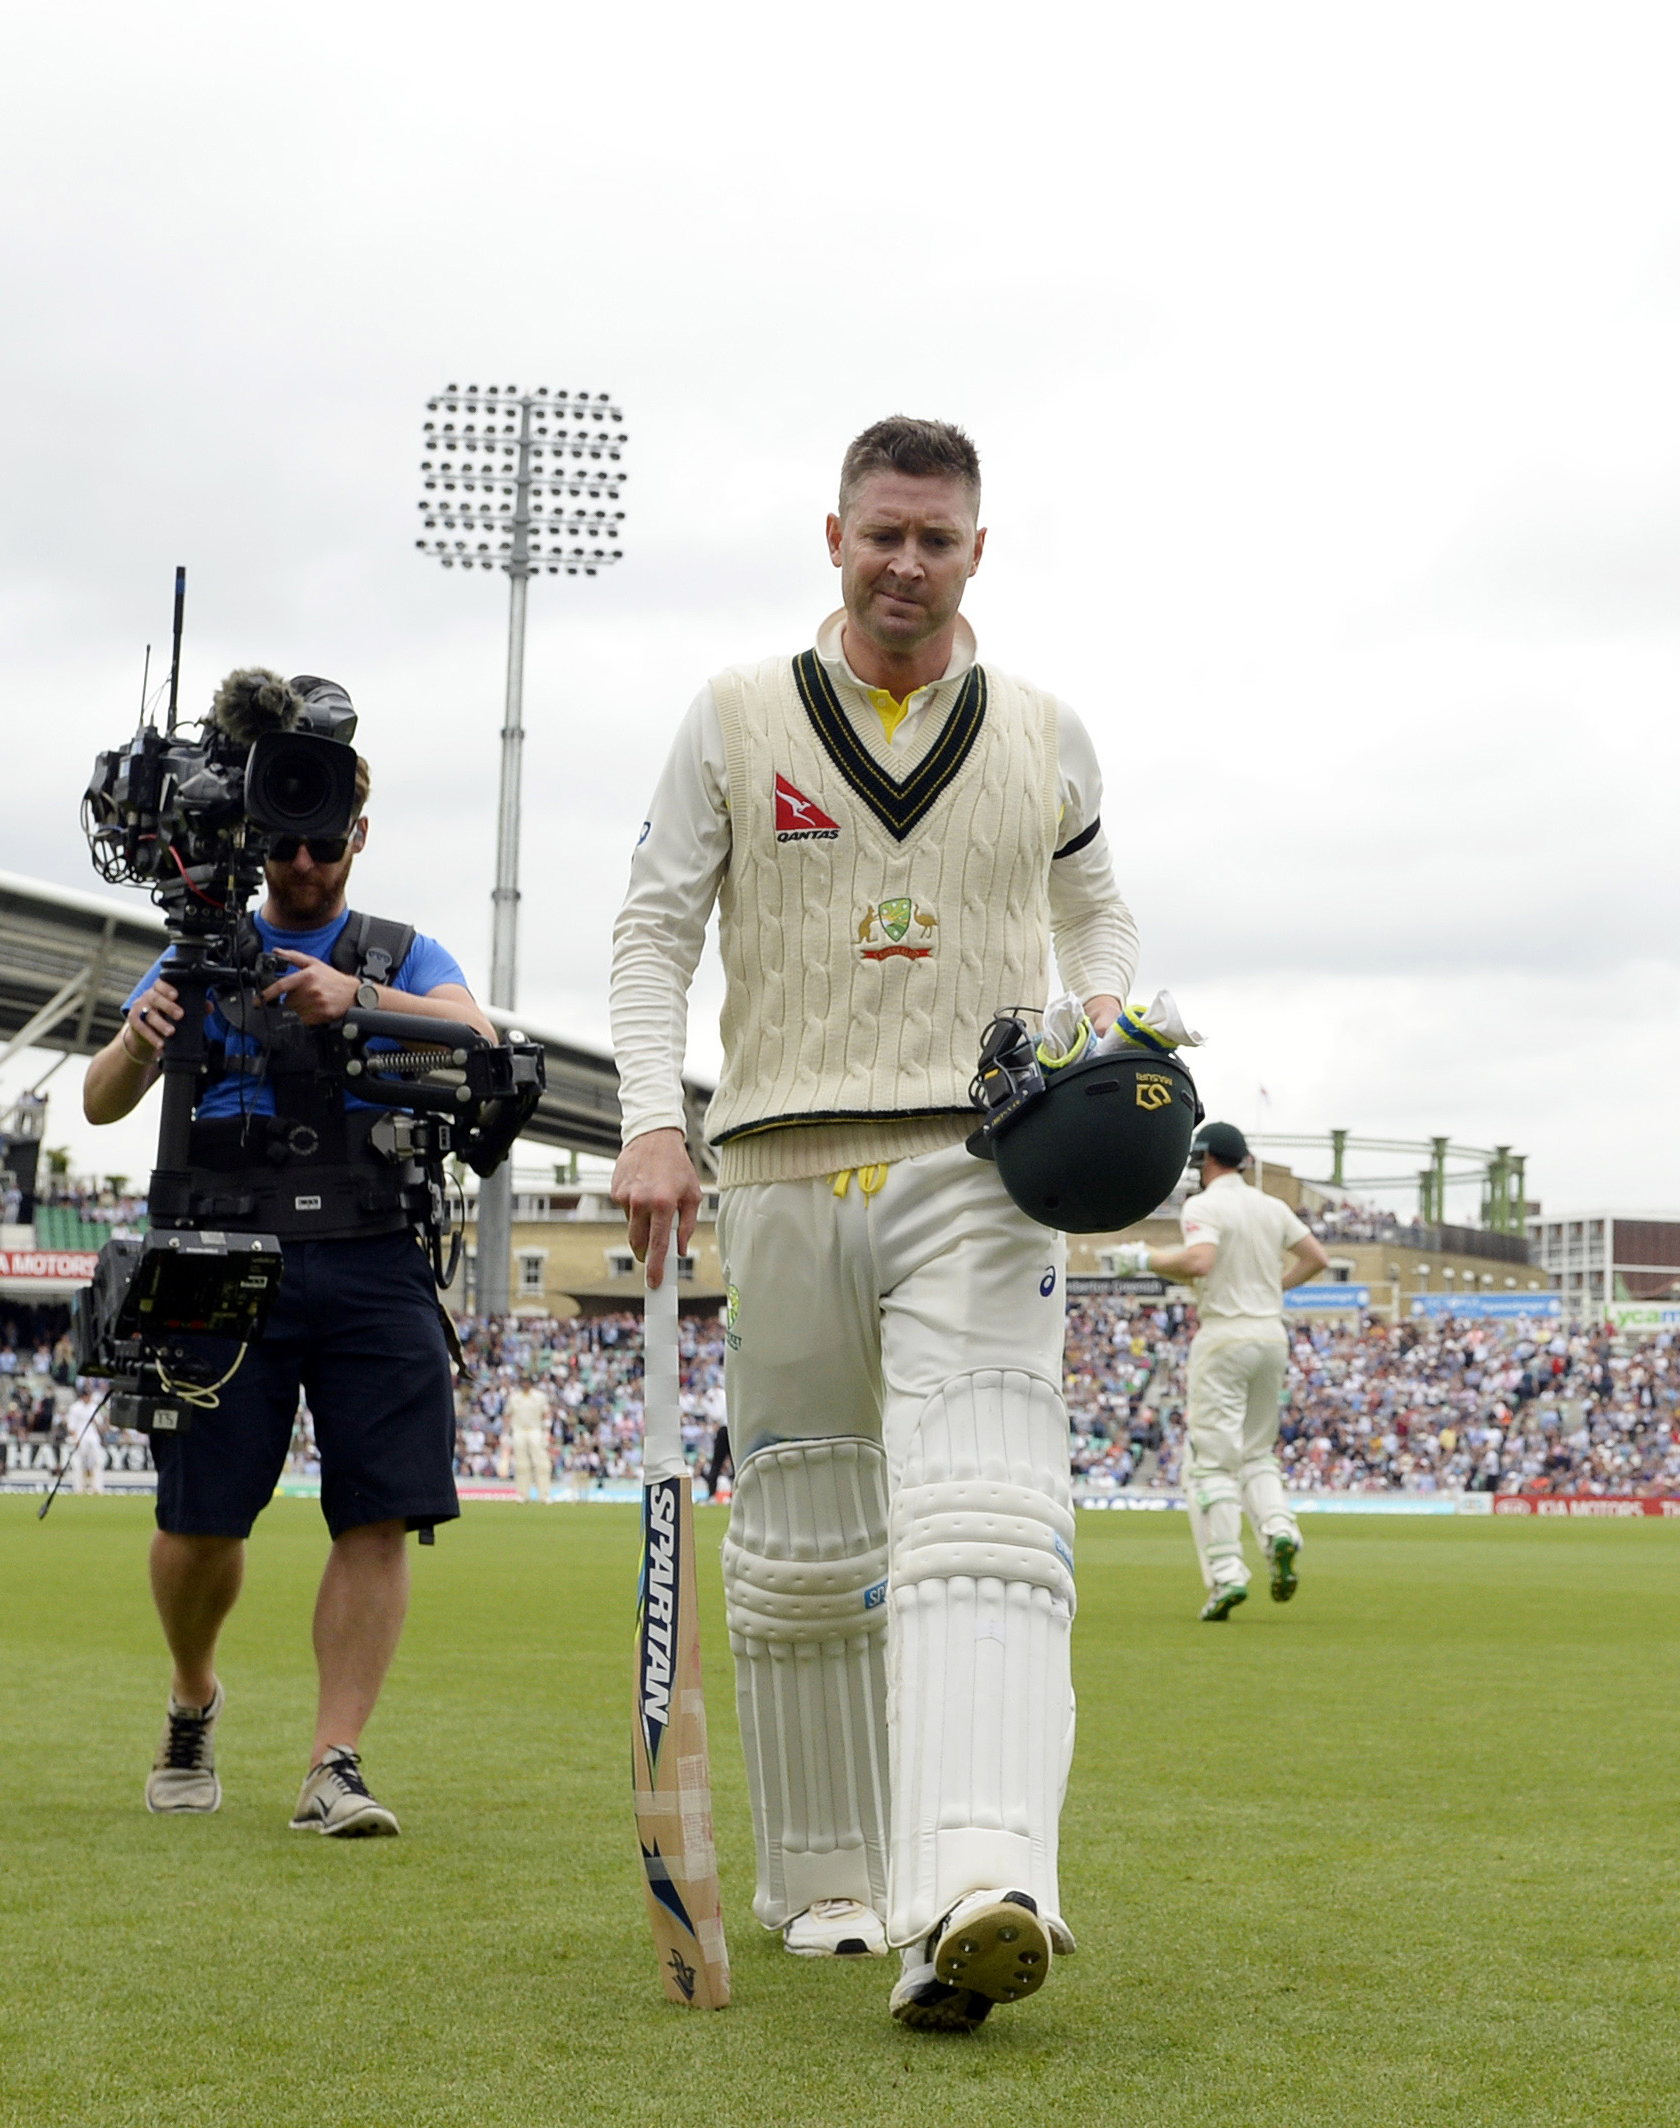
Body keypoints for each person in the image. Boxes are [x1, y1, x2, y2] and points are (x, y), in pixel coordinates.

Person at [609, 415, 1144, 2034]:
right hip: (773, 1158)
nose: (904, 562)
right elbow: (651, 929)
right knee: (800, 1537)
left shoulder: (1044, 730)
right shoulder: (729, 717)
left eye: (935, 538)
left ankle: (981, 1884)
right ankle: (828, 1875)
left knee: (980, 1503)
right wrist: (649, 1114)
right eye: (879, 535)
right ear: (830, 536)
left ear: (978, 550)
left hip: (979, 1163)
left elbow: (1096, 904)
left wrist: (1104, 1017)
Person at [80, 688, 493, 1836]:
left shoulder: (399, 952)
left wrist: (356, 998)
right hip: (218, 1248)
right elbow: (101, 1101)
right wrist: (139, 1032)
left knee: (378, 1513)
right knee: (197, 1522)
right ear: (257, 834)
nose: (302, 861)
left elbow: (481, 1035)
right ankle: (192, 1695)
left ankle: (333, 1760)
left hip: (370, 1249)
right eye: (285, 839)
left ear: (356, 837)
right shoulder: (196, 951)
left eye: (324, 840)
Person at [1106, 1121, 1330, 1619]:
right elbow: (1317, 1257)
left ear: (1205, 1160)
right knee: (1256, 1453)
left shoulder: (1205, 1205)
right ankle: (1278, 1529)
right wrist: (1271, 1290)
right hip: (1271, 1335)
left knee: (1210, 1462)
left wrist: (1144, 1258)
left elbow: (1200, 1261)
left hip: (1225, 1335)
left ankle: (1227, 1574)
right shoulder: (1272, 1206)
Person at [505, 1378, 556, 1503]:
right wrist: (505, 1433)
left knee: (542, 1463)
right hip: (519, 1431)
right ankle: (523, 1495)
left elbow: (546, 1413)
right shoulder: (514, 1397)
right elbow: (507, 1415)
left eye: (527, 1382)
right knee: (521, 1464)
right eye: (522, 1382)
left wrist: (547, 1431)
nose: (524, 1384)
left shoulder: (539, 1397)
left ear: (531, 1383)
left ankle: (544, 1495)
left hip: (535, 1431)